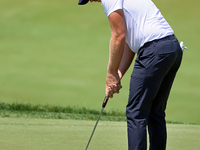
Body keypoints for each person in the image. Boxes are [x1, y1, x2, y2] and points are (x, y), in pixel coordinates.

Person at [78, 0, 183, 150]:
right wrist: (118, 75)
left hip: (154, 51)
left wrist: (110, 74)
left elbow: (119, 36)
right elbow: (130, 43)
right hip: (171, 49)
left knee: (136, 112)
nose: (93, 1)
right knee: (155, 111)